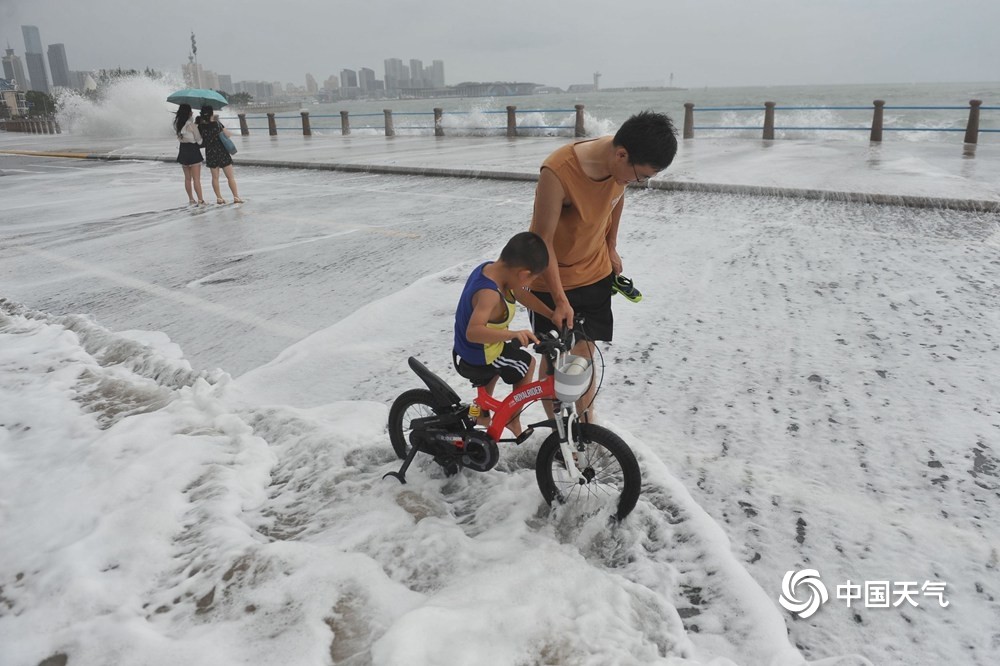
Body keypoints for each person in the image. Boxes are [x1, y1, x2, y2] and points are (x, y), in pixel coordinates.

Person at [528, 110, 678, 422]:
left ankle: (585, 424)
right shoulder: (557, 172)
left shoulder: (620, 164)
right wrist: (558, 300)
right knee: (555, 357)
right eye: (640, 176)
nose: (636, 183)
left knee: (583, 355)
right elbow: (540, 243)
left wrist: (611, 245)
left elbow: (616, 196)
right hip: (551, 279)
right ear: (621, 154)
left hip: (594, 273)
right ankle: (559, 433)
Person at [453, 231, 555, 441]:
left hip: (471, 348)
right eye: (532, 279)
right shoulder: (489, 293)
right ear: (524, 274)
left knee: (508, 360)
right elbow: (473, 332)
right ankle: (511, 418)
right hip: (479, 352)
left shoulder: (492, 269)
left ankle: (481, 411)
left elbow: (521, 293)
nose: (529, 283)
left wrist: (552, 315)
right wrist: (512, 334)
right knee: (526, 364)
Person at [196, 105, 243, 204]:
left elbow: (199, 139)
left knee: (215, 178)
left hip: (210, 153)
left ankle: (219, 198)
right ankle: (236, 197)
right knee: (230, 177)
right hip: (222, 152)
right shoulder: (217, 124)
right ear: (211, 114)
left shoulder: (200, 126)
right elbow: (228, 134)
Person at [173, 103, 204, 205]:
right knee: (196, 179)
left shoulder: (177, 124)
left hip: (183, 150)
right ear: (189, 112)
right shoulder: (192, 125)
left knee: (187, 178)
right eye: (190, 110)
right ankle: (200, 200)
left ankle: (191, 199)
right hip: (193, 150)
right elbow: (199, 141)